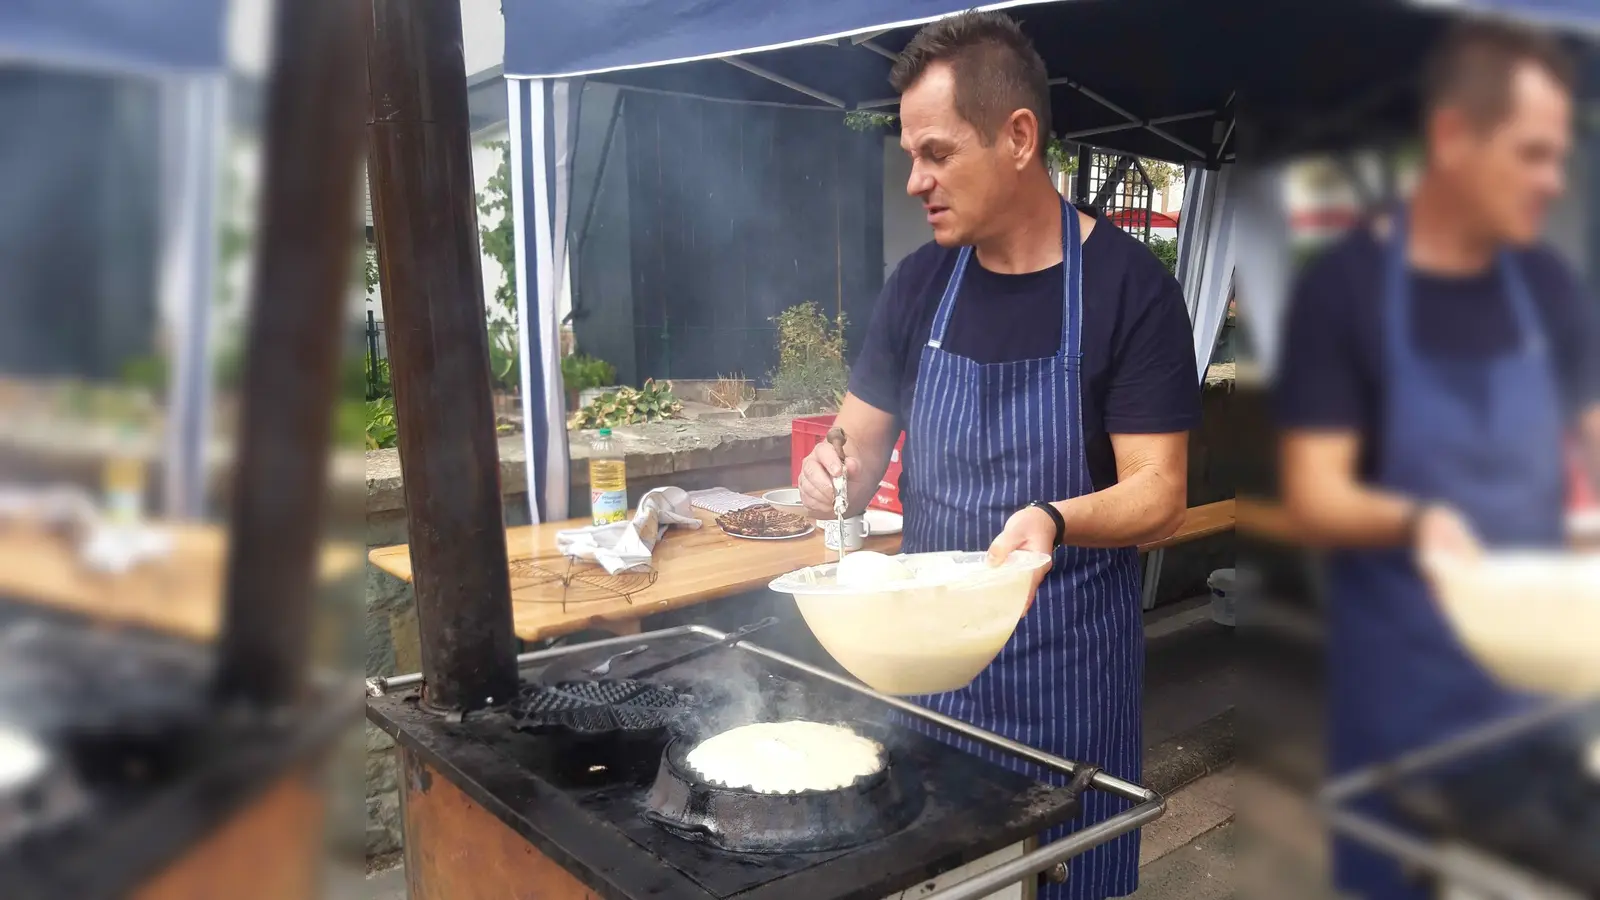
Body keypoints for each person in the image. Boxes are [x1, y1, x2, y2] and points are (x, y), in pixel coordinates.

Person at [797, 12, 1199, 899]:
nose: (915, 182)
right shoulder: (919, 286)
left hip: (1068, 677)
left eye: (936, 153)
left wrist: (1054, 517)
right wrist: (830, 470)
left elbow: (1159, 493)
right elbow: (852, 452)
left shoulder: (1131, 290)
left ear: (1019, 137)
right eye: (911, 155)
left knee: (1068, 882)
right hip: (931, 677)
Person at [1275, 20, 1600, 900]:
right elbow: (1315, 492)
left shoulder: (1551, 291)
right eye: (1533, 154)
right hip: (1400, 698)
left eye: (1559, 156)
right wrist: (1419, 518)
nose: (1553, 182)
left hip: (1540, 692)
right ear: (1453, 138)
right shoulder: (1346, 288)